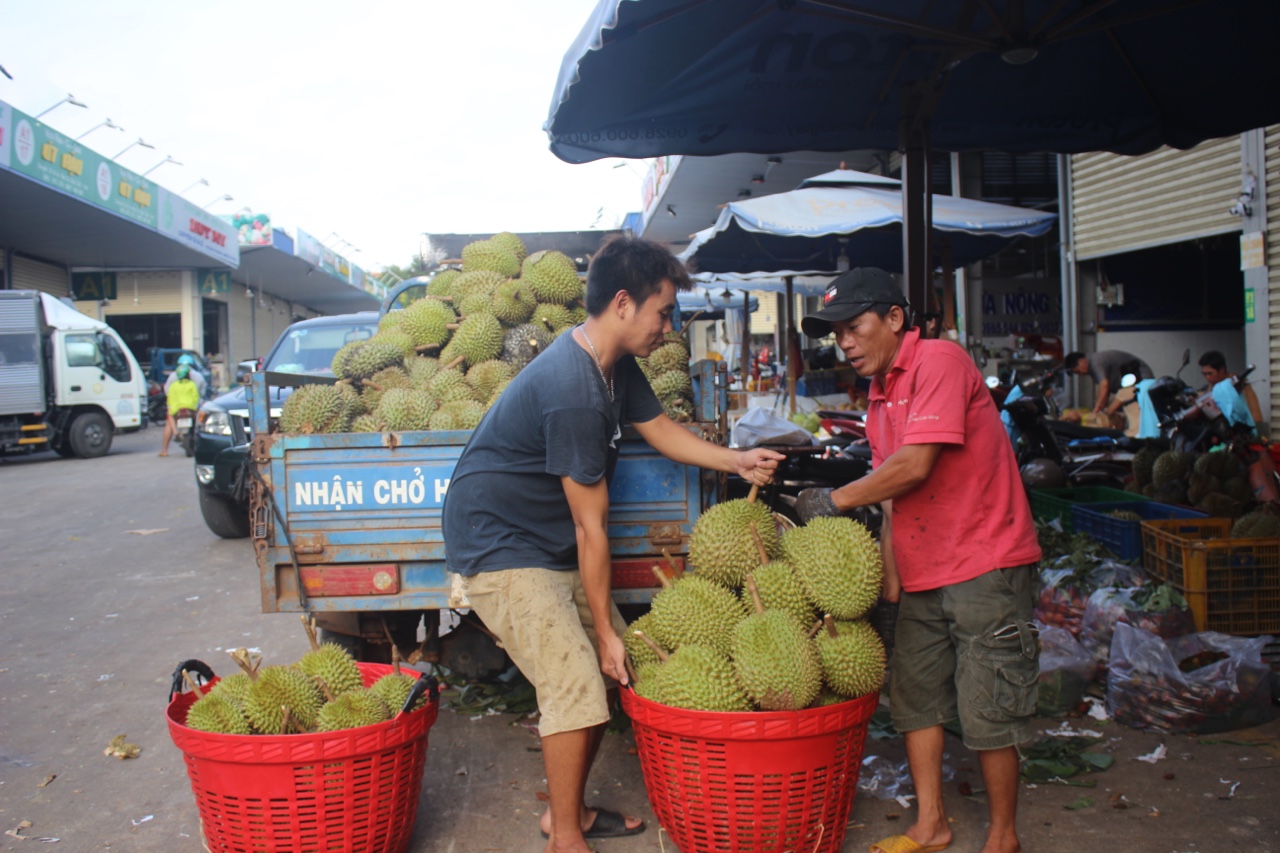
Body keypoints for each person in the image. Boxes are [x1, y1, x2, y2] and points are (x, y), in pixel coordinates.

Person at [441, 235, 784, 853]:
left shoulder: (613, 366)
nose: (667, 325)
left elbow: (660, 431)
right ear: (623, 304)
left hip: (539, 540)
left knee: (620, 667)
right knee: (578, 672)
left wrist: (737, 461)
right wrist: (601, 630)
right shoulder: (574, 389)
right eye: (663, 311)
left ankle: (563, 813)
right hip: (498, 543)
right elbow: (590, 528)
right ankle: (565, 839)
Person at [793, 267, 1041, 853]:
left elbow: (914, 465)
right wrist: (890, 591)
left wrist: (832, 500)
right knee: (915, 700)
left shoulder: (939, 361)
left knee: (990, 703)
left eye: (853, 327)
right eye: (837, 334)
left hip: (986, 562)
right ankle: (932, 823)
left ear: (895, 318)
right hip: (925, 571)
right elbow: (896, 501)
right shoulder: (879, 397)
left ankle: (1003, 836)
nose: (845, 344)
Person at [1064, 349, 1153, 416]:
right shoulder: (1093, 370)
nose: (1081, 374)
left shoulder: (1095, 361)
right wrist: (1102, 409)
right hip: (1129, 385)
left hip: (1140, 378)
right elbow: (1105, 392)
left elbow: (1104, 385)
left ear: (1081, 361)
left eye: (1078, 371)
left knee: (1138, 411)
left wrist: (1096, 409)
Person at [1199, 350, 1265, 436]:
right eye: (1204, 374)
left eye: (1210, 373)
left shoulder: (1237, 384)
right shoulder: (1213, 385)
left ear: (1222, 370)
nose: (1207, 377)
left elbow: (1255, 412)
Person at [160, 363, 201, 457]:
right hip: (190, 408)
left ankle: (175, 432)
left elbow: (170, 397)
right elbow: (196, 397)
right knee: (199, 420)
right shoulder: (192, 384)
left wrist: (170, 407)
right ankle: (198, 431)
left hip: (176, 409)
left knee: (170, 417)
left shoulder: (173, 385)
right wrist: (195, 407)